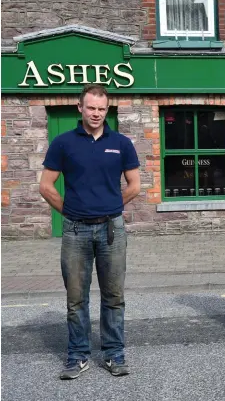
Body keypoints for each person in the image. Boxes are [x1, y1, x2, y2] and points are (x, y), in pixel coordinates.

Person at [39, 84, 140, 379]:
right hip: (75, 230)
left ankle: (114, 353)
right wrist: (69, 210)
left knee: (114, 296)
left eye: (101, 108)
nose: (96, 113)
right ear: (80, 108)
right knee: (76, 298)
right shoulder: (63, 143)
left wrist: (109, 205)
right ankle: (77, 355)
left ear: (107, 110)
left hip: (112, 229)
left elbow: (134, 186)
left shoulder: (121, 143)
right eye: (91, 108)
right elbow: (46, 186)